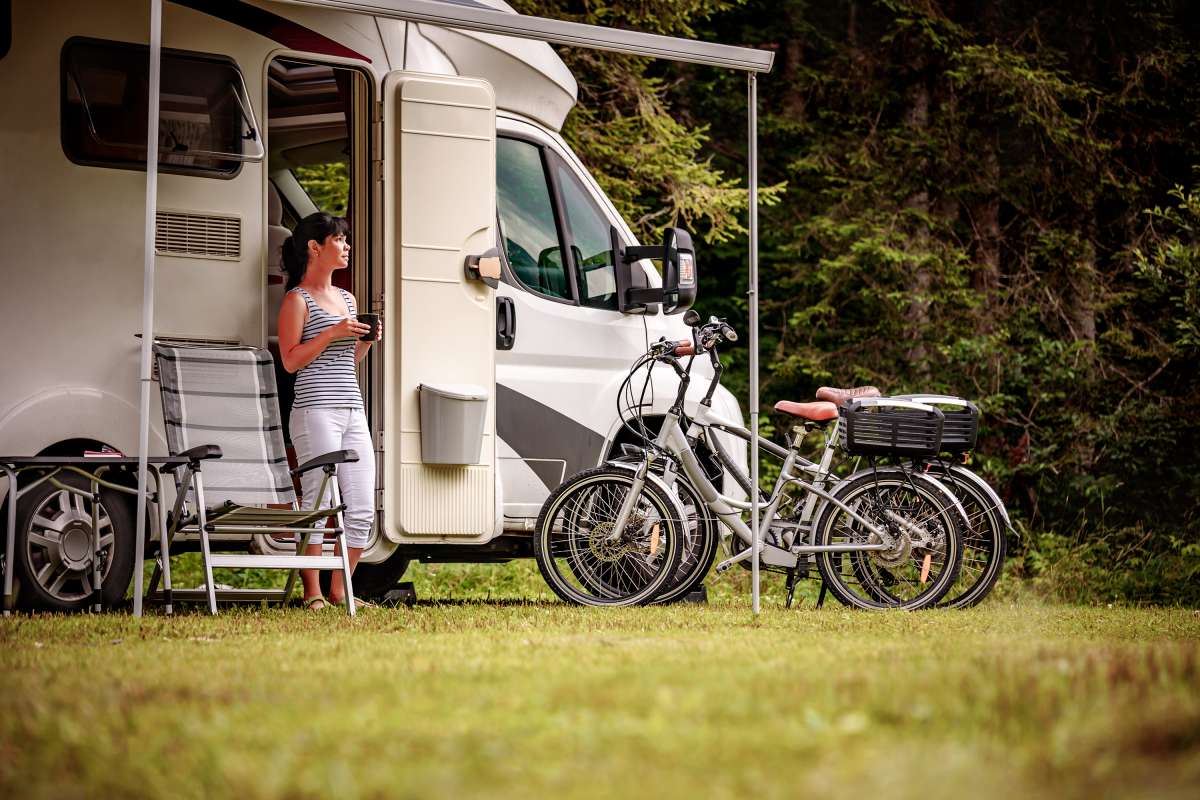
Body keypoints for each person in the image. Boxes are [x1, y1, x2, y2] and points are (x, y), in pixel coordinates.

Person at [277, 212, 380, 611]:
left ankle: (342, 590)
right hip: (314, 409)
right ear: (315, 247)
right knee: (319, 503)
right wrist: (331, 332)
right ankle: (312, 593)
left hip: (351, 408)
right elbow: (290, 361)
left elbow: (343, 361)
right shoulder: (296, 300)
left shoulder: (347, 300)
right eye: (339, 239)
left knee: (362, 505)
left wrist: (366, 343)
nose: (347, 246)